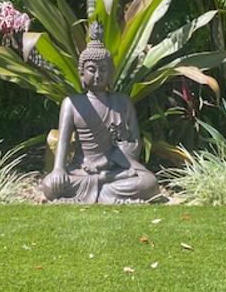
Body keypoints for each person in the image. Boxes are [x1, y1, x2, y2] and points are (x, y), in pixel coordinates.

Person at [40, 23, 159, 203]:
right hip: (81, 169)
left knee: (149, 183)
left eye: (103, 69)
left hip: (116, 169)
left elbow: (134, 144)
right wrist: (58, 169)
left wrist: (107, 163)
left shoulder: (122, 102)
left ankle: (102, 185)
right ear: (81, 73)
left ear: (111, 72)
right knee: (49, 185)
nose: (97, 75)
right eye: (91, 69)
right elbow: (63, 142)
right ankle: (105, 190)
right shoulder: (72, 103)